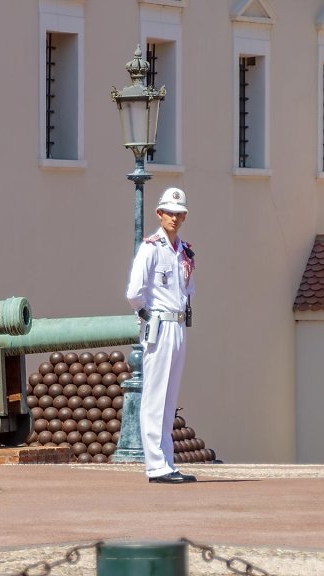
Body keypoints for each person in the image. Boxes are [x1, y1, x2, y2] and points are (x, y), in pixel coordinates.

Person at [125, 187, 197, 484]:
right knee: (155, 397)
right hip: (159, 325)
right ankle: (155, 465)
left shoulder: (185, 251)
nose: (175, 218)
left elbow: (187, 290)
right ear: (159, 214)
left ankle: (166, 461)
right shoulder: (151, 248)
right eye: (170, 213)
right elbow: (134, 292)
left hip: (179, 324)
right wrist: (147, 315)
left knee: (169, 398)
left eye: (180, 214)